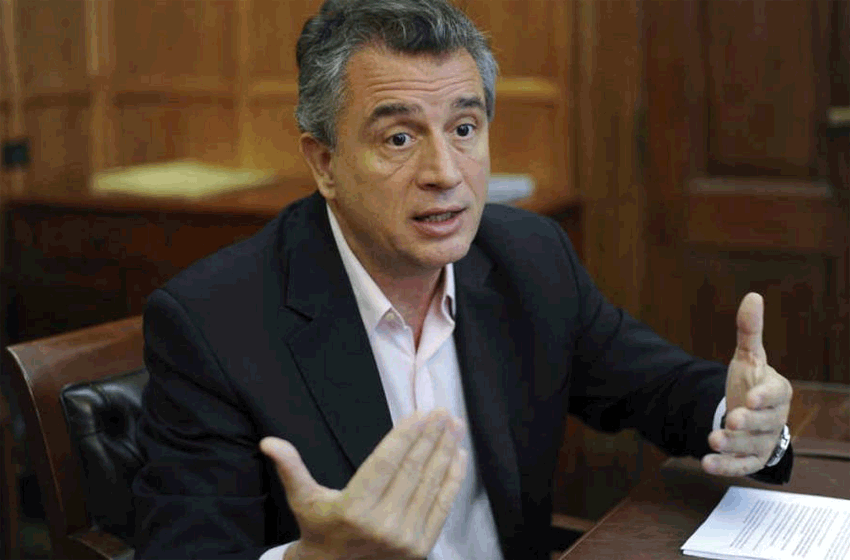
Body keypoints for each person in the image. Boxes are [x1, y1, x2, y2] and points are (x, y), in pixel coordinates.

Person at [132, 1, 794, 558]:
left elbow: (657, 386)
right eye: (399, 139)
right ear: (325, 163)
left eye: (464, 128)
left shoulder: (528, 257)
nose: (445, 173)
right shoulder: (215, 324)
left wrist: (744, 417)